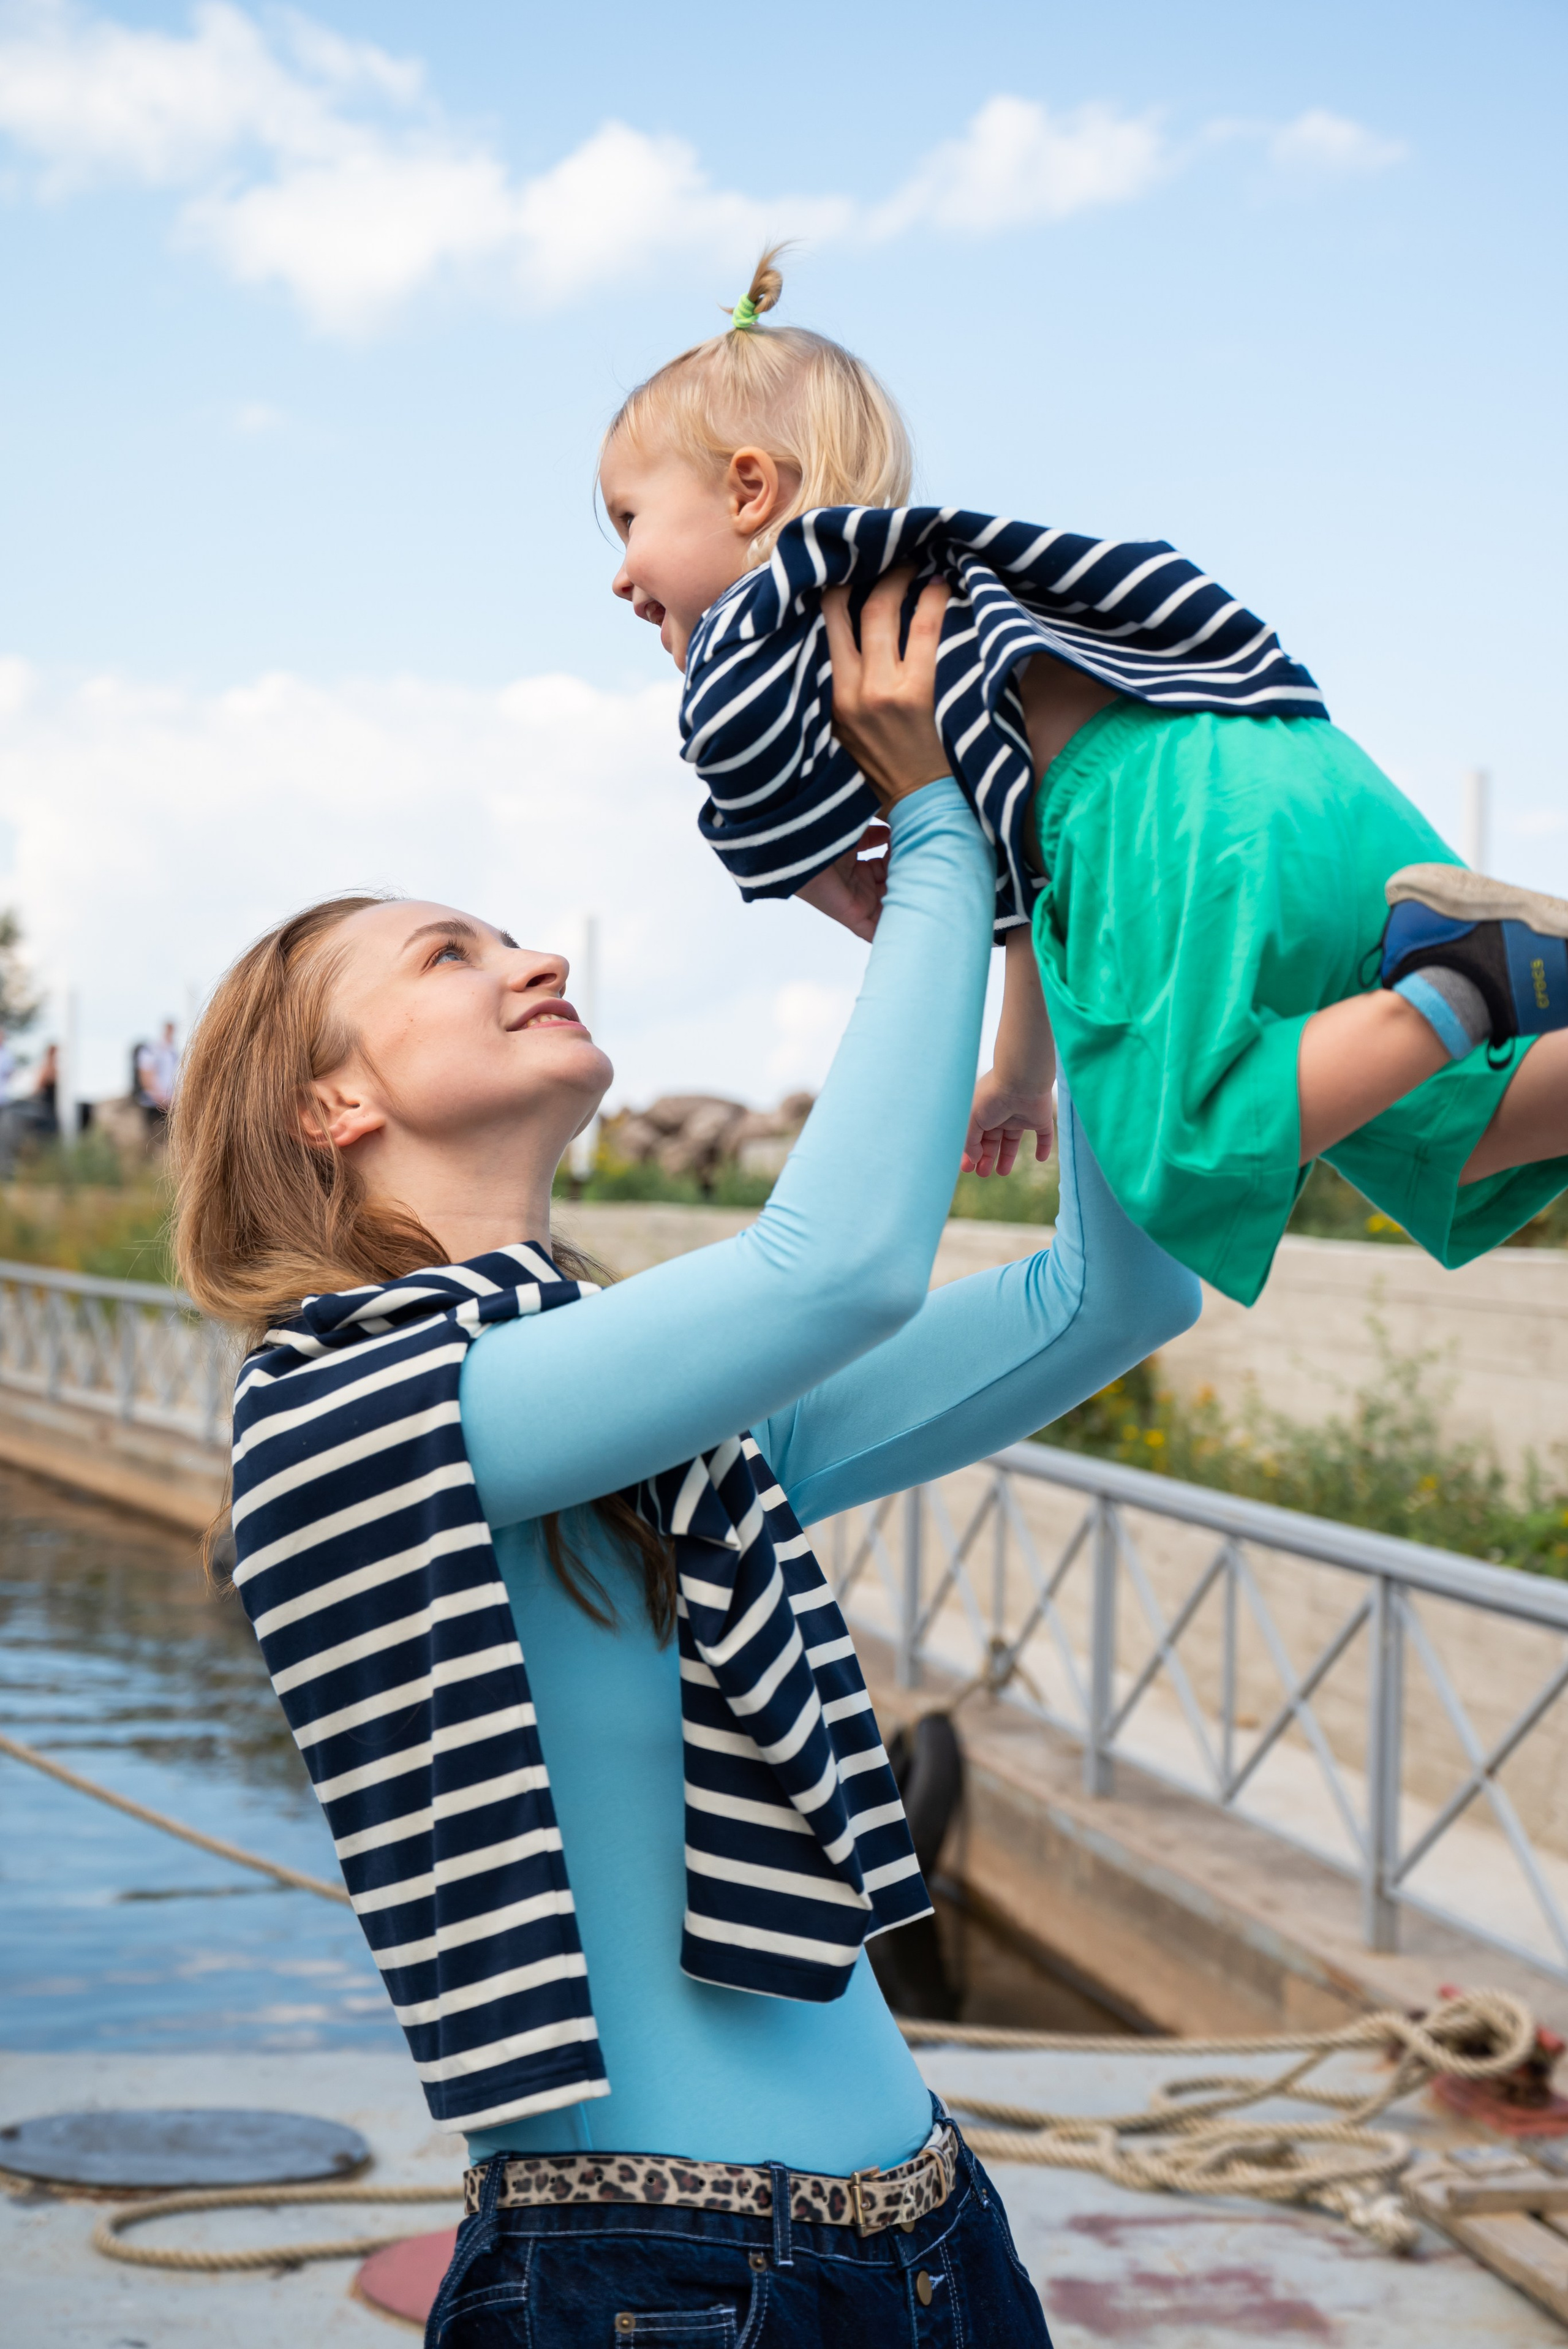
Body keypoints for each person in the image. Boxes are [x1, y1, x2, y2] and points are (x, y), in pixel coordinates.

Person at [171, 578, 1199, 2347]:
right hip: (653, 2280)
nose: (533, 956)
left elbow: (1114, 1290)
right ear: (330, 1108)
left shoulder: (657, 1431)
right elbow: (844, 1262)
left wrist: (1070, 890)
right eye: (450, 954)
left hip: (937, 2232)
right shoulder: (341, 1416)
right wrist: (933, 823)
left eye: (506, 934)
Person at [599, 249, 1568, 1307]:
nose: (619, 577)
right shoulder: (941, 591)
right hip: (1292, 775)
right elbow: (1028, 886)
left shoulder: (793, 595)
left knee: (1184, 1136)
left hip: (1162, 821)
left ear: (749, 490)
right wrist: (1023, 1071)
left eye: (629, 522)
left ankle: (1471, 972)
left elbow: (725, 754)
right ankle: (1492, 978)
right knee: (1452, 1130)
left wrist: (823, 880)